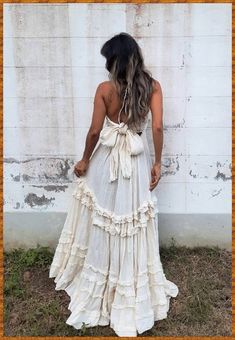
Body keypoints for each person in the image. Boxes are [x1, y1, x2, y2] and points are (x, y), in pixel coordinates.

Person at [49, 32, 179, 337]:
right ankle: (128, 281)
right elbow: (157, 127)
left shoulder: (105, 90)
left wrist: (83, 161)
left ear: (114, 61)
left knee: (103, 220)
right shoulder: (153, 87)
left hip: (107, 162)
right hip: (135, 162)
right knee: (129, 221)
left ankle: (102, 277)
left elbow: (95, 132)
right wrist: (157, 162)